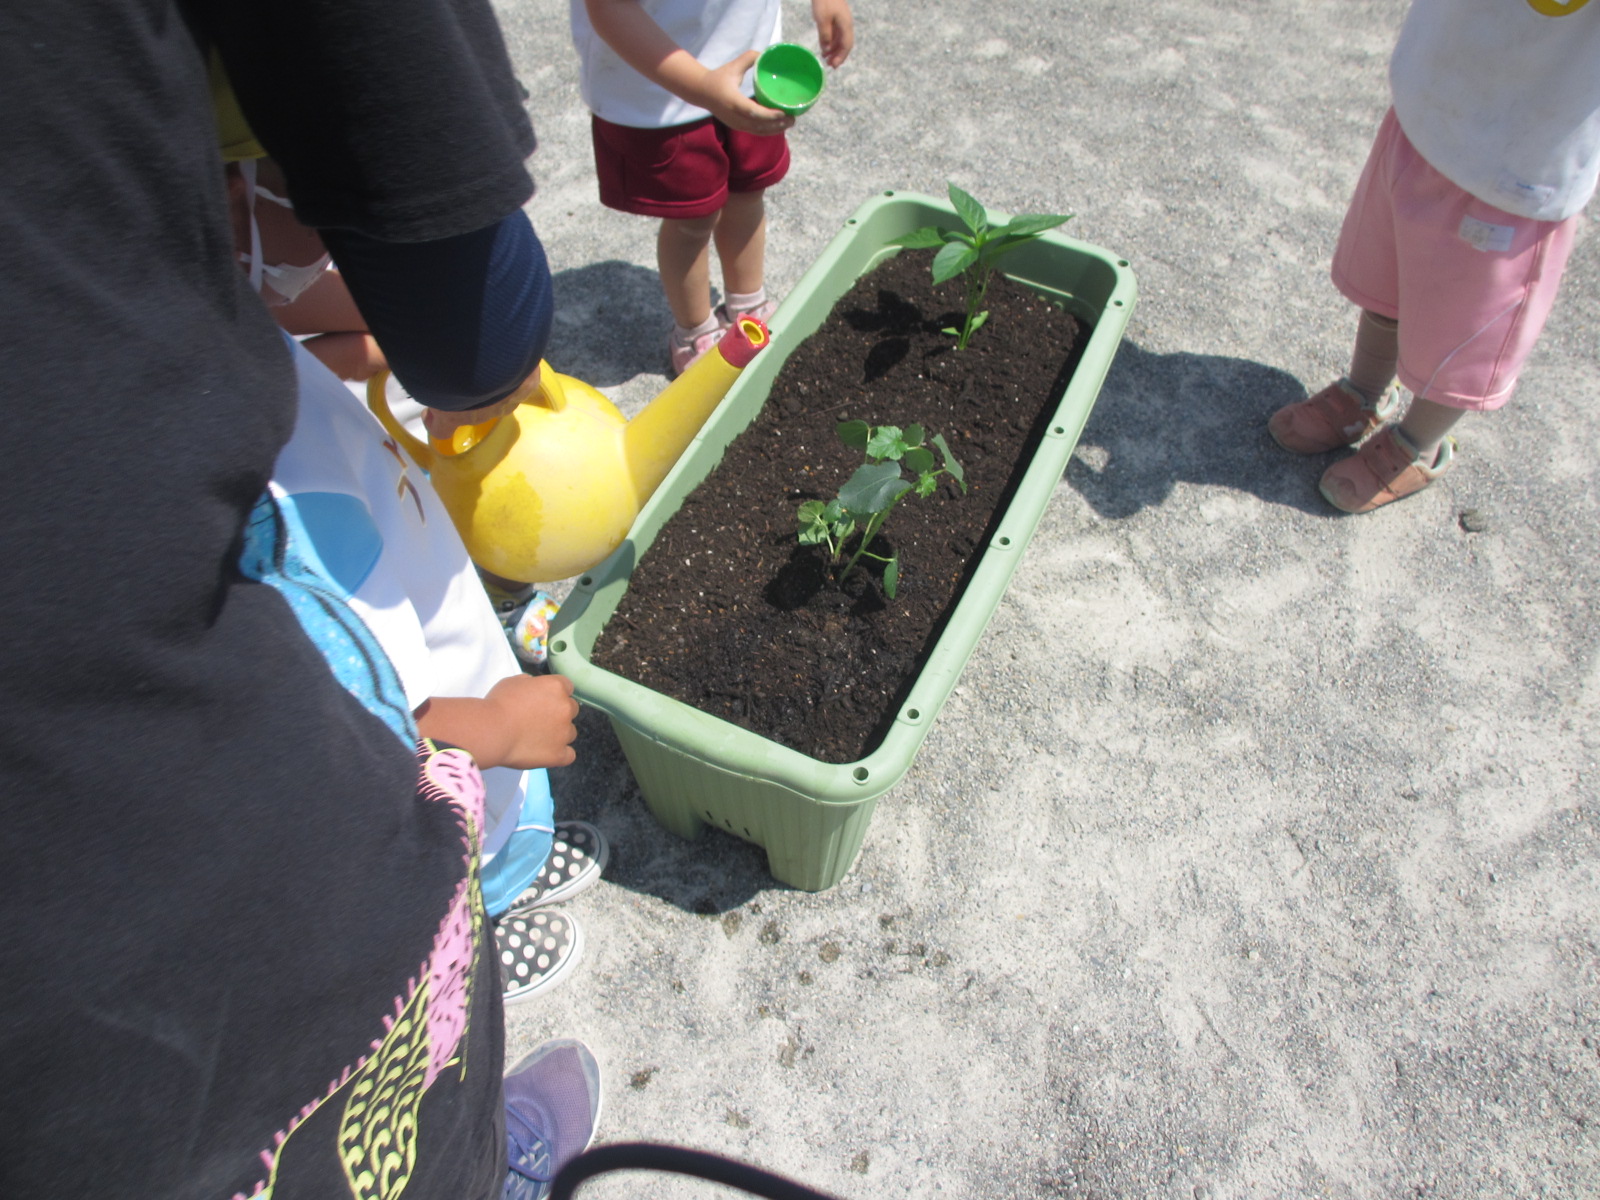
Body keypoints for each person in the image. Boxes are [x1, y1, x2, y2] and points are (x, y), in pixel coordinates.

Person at [0, 1, 594, 1195]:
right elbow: (469, 322)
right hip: (179, 857)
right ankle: (482, 1154)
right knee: (386, 1127)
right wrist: (501, 734)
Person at [1267, 0, 1600, 514]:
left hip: (1519, 167)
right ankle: (1364, 392)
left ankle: (1418, 442)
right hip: (1430, 108)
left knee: (1462, 336)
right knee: (1386, 281)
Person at [571, 0, 854, 374]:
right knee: (694, 215)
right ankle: (693, 330)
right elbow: (610, 8)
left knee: (748, 190)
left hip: (752, 67)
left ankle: (748, 303)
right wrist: (703, 86)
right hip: (659, 88)